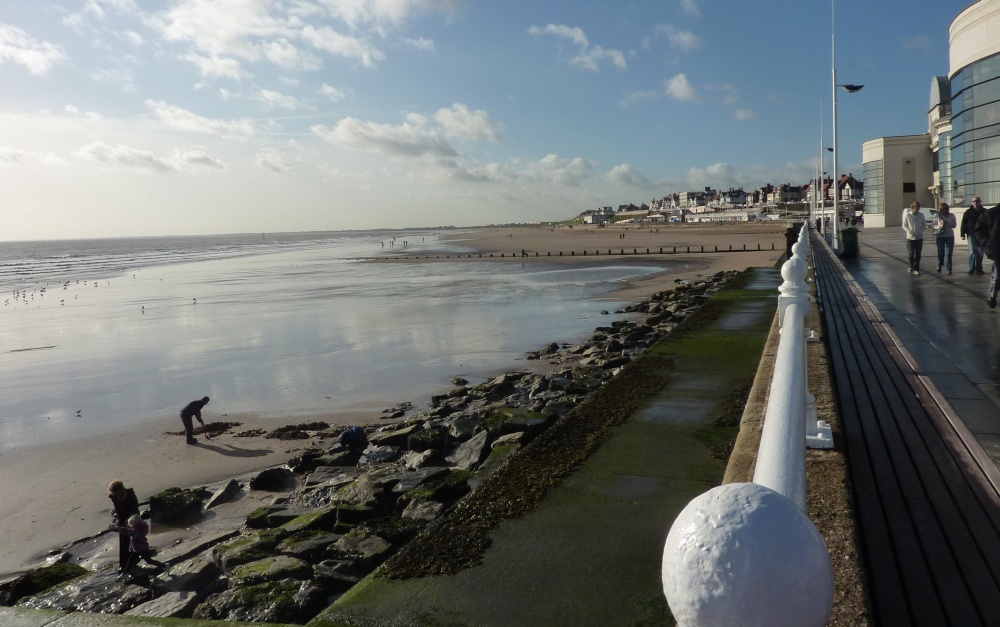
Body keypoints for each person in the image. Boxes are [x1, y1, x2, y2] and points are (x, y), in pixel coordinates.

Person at [110, 514, 166, 578]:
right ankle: (163, 566)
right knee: (146, 560)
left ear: (135, 524)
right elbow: (130, 530)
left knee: (141, 560)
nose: (131, 526)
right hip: (139, 548)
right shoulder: (140, 528)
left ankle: (125, 573)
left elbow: (128, 531)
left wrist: (118, 527)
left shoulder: (137, 531)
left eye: (132, 525)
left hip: (141, 548)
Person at [108, 479, 140, 573]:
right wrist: (114, 513)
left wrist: (130, 520)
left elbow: (135, 508)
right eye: (114, 493)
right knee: (123, 542)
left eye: (116, 492)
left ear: (121, 489)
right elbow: (116, 509)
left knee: (134, 540)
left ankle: (133, 560)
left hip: (133, 519)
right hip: (122, 520)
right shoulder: (114, 497)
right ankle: (123, 564)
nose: (115, 495)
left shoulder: (130, 495)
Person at [975, 202, 1000, 308]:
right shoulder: (992, 213)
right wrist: (987, 242)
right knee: (997, 275)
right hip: (998, 249)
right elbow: (979, 229)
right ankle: (991, 297)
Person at [962, 196, 987, 274]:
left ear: (980, 202)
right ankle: (971, 268)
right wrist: (962, 233)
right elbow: (964, 223)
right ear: (972, 202)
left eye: (977, 201)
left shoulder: (985, 211)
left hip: (982, 234)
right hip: (971, 233)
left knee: (980, 251)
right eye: (974, 201)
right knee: (972, 251)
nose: (976, 203)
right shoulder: (968, 212)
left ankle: (979, 268)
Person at [902, 202, 926, 274]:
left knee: (918, 253)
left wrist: (920, 231)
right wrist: (908, 231)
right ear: (912, 207)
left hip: (919, 237)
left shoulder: (921, 215)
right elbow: (904, 225)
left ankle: (916, 268)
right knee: (911, 253)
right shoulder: (907, 215)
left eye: (919, 207)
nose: (918, 208)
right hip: (910, 237)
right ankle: (911, 266)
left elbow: (924, 225)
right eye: (916, 207)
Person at [933, 203, 957, 274]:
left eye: (947, 208)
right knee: (941, 252)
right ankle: (939, 264)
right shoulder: (937, 216)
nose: (946, 210)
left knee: (949, 253)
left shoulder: (952, 215)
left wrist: (947, 223)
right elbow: (933, 226)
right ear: (940, 210)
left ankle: (949, 269)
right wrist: (940, 225)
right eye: (944, 209)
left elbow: (954, 225)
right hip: (940, 236)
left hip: (949, 236)